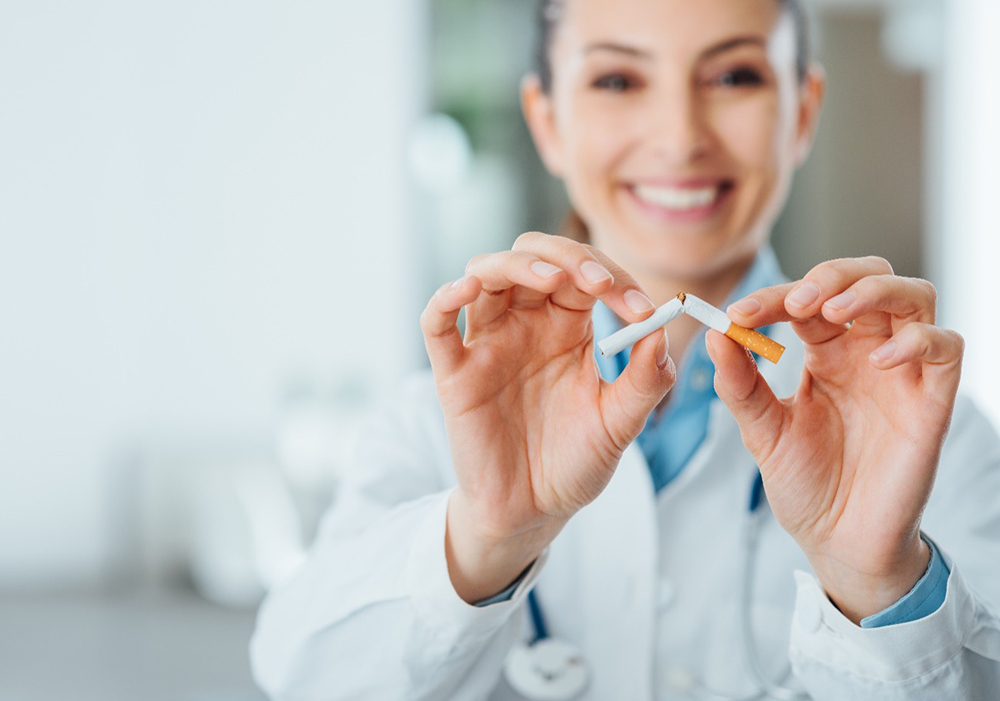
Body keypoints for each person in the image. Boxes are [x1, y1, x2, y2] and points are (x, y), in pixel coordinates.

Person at [250, 0, 1000, 699]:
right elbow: (302, 671)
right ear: (546, 123)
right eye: (617, 78)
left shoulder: (931, 437)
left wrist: (879, 584)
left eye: (734, 75)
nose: (679, 136)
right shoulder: (429, 423)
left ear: (802, 111)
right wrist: (484, 538)